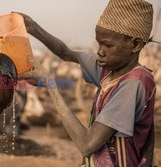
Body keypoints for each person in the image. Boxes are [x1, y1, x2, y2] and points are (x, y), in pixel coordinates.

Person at [17, 0, 157, 166]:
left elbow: (87, 144)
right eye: (99, 43)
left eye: (108, 45)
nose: (100, 51)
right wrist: (33, 28)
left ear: (135, 45)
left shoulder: (134, 83)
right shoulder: (109, 68)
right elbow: (66, 53)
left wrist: (51, 86)